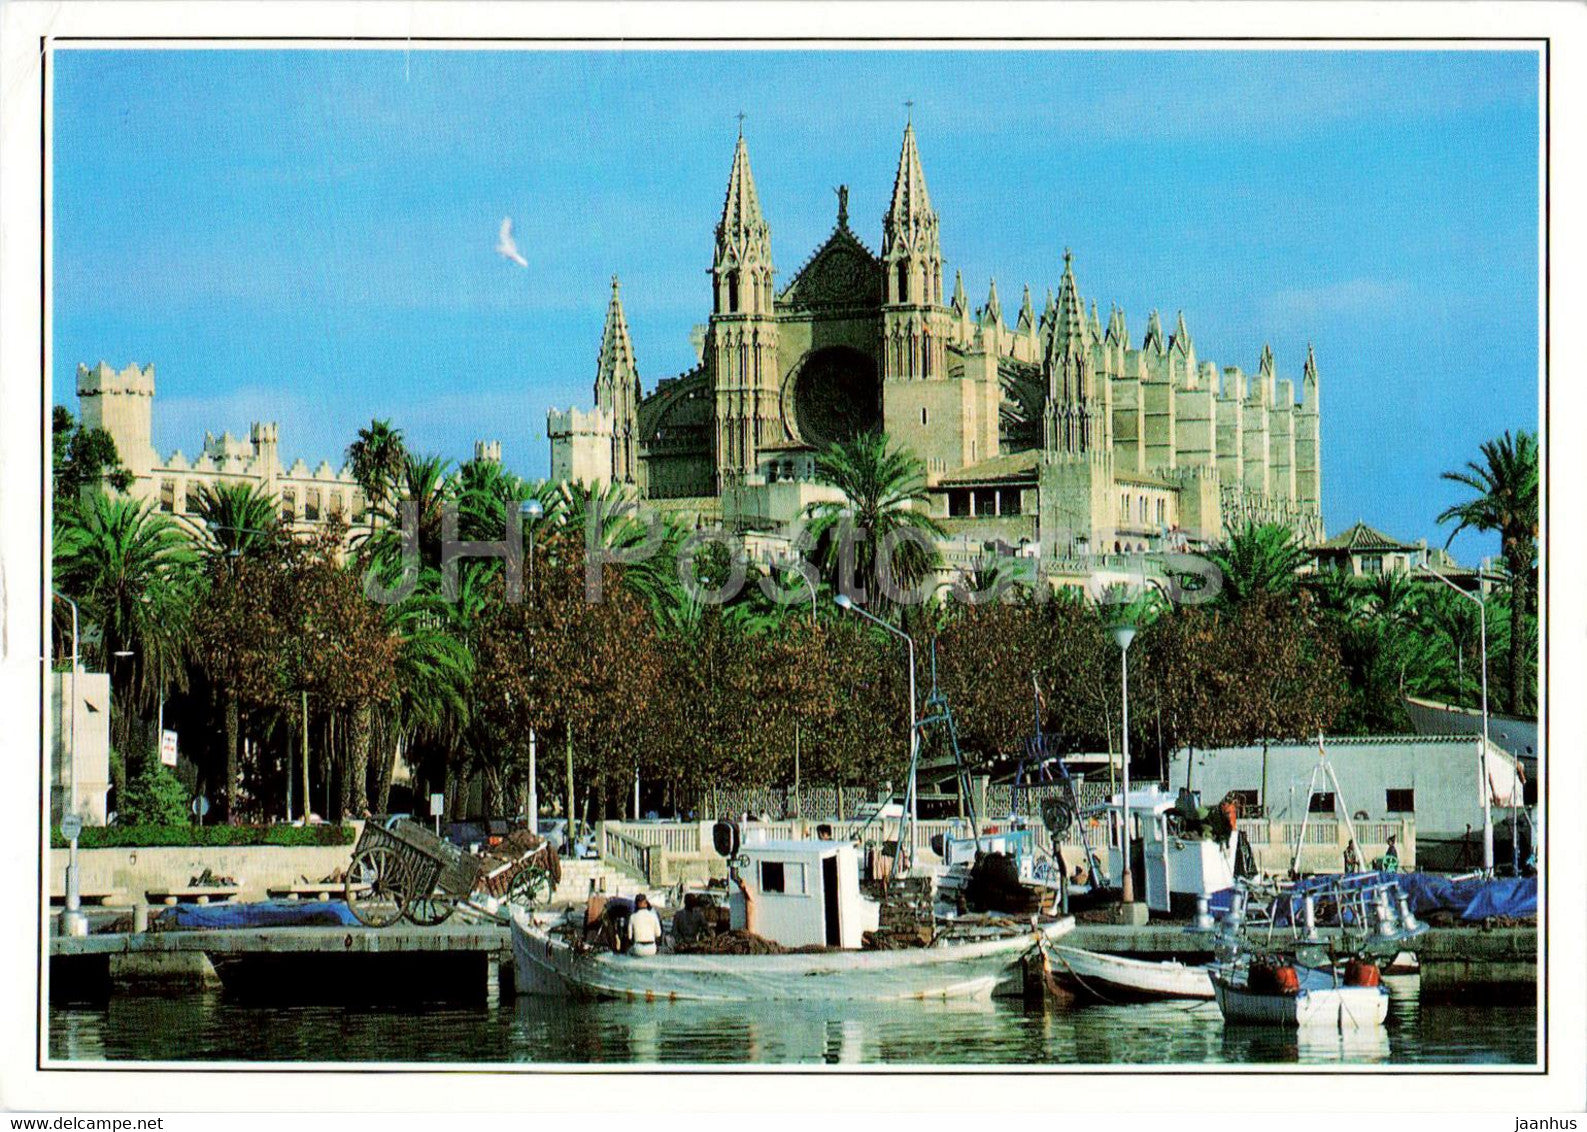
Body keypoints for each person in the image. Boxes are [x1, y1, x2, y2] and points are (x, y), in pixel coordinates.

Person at [627, 893, 663, 957]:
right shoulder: (653, 915)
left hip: (638, 949)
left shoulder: (632, 917)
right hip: (651, 949)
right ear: (646, 903)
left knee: (628, 951)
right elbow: (658, 934)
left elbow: (629, 937)